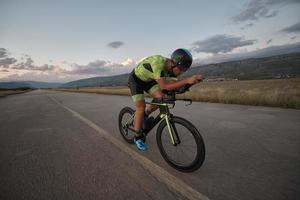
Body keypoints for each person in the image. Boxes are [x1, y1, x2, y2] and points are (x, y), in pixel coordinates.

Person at [128, 48, 203, 151]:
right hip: (136, 80)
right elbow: (164, 86)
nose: (181, 73)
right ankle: (137, 137)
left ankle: (145, 114)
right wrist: (187, 80)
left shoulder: (171, 71)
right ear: (174, 64)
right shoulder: (158, 63)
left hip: (148, 80)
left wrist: (190, 83)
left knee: (160, 97)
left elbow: (173, 86)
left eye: (184, 70)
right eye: (181, 69)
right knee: (141, 107)